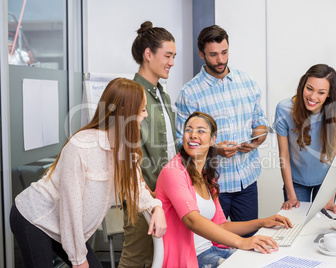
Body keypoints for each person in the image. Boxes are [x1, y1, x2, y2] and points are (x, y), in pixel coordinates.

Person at [9, 78, 166, 268]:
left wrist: (156, 208)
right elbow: (70, 205)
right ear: (126, 113)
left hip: (65, 226)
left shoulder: (125, 148)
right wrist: (78, 259)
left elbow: (136, 187)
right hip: (34, 217)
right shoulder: (81, 146)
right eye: (142, 109)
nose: (146, 115)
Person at [155, 111, 292, 268]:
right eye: (188, 129)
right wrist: (242, 242)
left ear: (213, 139)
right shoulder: (173, 171)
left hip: (211, 251)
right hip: (192, 258)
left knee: (270, 260)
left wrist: (262, 222)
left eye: (201, 130)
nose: (193, 135)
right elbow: (192, 220)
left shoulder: (206, 175)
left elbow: (221, 225)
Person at [175, 25, 269, 231]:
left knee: (248, 243)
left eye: (224, 52)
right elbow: (180, 144)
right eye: (213, 54)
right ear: (201, 54)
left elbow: (260, 121)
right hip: (211, 186)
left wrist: (256, 139)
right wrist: (215, 150)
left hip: (247, 181)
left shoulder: (248, 82)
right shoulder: (190, 93)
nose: (221, 60)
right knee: (212, 247)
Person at [118, 21, 177, 268]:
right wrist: (149, 196)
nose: (172, 62)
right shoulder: (131, 95)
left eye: (174, 56)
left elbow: (168, 147)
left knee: (161, 258)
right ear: (148, 54)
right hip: (144, 195)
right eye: (168, 56)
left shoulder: (162, 95)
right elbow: (125, 153)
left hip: (165, 194)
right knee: (136, 258)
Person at [273, 64, 336, 213]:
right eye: (309, 88)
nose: (313, 97)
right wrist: (291, 196)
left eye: (321, 92)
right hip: (296, 183)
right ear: (302, 85)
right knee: (297, 226)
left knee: (322, 227)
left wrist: (329, 199)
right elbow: (284, 155)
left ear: (329, 94)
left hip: (326, 181)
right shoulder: (284, 108)